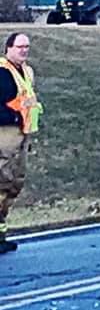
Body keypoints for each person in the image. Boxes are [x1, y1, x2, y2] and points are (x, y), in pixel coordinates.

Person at [0, 33, 43, 254]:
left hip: (23, 135)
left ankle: (1, 234)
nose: (24, 50)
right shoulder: (2, 72)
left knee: (14, 185)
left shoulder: (26, 71)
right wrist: (14, 117)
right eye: (20, 46)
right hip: (5, 135)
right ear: (8, 48)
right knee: (1, 182)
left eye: (27, 46)